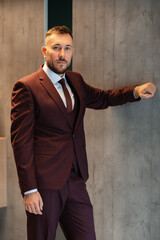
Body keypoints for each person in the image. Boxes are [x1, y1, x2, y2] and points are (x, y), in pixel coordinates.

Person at [10, 25, 156, 240]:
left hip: (76, 180)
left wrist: (134, 92)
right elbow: (20, 143)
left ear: (72, 51)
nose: (62, 54)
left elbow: (103, 98)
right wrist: (29, 189)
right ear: (44, 51)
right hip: (44, 184)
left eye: (67, 48)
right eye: (56, 47)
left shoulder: (76, 80)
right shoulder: (27, 87)